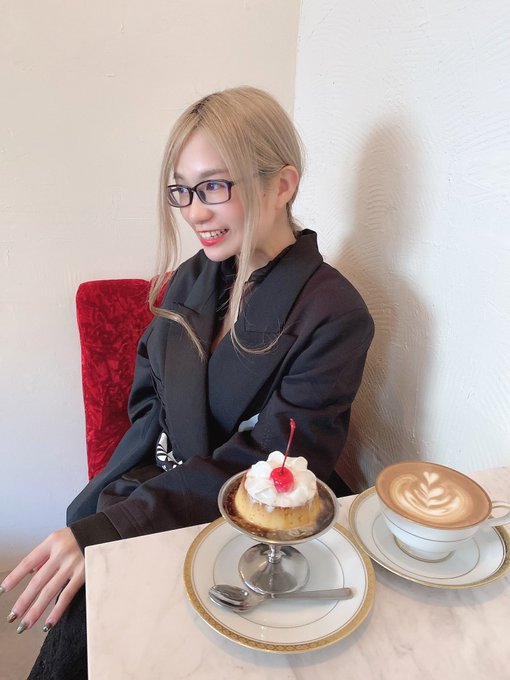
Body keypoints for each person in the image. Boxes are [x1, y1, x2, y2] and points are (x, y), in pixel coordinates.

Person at [1, 87, 374, 679]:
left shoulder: (332, 312)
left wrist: (124, 524)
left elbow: (275, 461)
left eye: (214, 186)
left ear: (282, 185)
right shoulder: (191, 278)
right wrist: (121, 501)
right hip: (162, 485)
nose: (194, 212)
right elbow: (147, 401)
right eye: (182, 191)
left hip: (252, 523)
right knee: (87, 599)